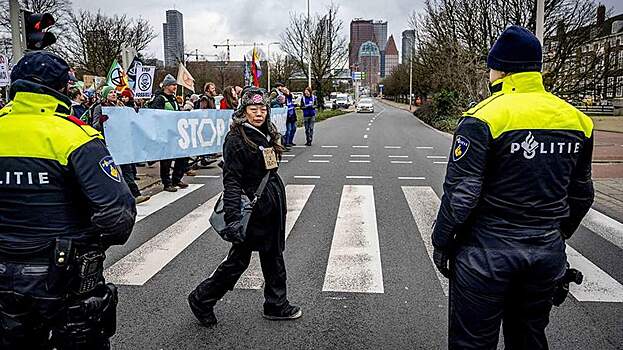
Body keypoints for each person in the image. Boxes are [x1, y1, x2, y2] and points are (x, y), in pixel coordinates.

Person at [431, 26, 594, 350]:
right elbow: (582, 194)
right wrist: (555, 236)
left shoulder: (483, 118)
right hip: (545, 256)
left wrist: (442, 243)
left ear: (501, 69)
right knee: (529, 338)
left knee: (473, 343)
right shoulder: (578, 120)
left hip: (486, 256)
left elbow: (462, 194)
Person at [0, 51, 136, 349]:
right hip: (63, 275)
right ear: (62, 89)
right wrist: (89, 244)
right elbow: (118, 216)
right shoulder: (75, 136)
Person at [188, 87, 302, 327]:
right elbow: (231, 183)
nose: (259, 113)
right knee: (239, 261)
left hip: (268, 208)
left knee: (272, 256)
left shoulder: (266, 134)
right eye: (253, 109)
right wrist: (232, 220)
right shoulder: (237, 139)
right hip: (252, 211)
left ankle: (276, 304)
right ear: (243, 111)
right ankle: (202, 298)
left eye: (263, 109)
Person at [150, 74, 189, 192]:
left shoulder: (173, 99)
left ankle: (176, 179)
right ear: (166, 86)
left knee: (183, 156)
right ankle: (167, 183)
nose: (175, 87)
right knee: (166, 160)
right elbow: (156, 115)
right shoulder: (160, 99)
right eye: (173, 85)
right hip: (165, 133)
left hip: (175, 133)